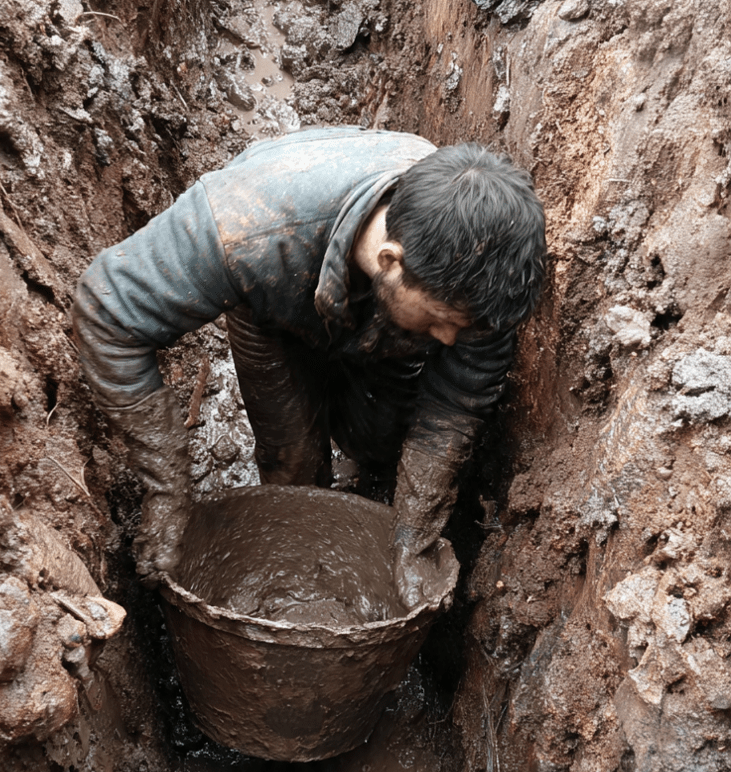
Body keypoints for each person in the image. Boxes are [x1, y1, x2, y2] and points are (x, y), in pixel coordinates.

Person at [73, 126, 546, 607]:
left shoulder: (483, 275)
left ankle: (366, 464)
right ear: (391, 260)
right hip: (277, 303)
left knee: (380, 442)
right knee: (293, 460)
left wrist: (414, 535)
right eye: (443, 321)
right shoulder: (250, 225)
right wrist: (167, 493)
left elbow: (457, 399)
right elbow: (107, 310)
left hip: (387, 323)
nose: (450, 340)